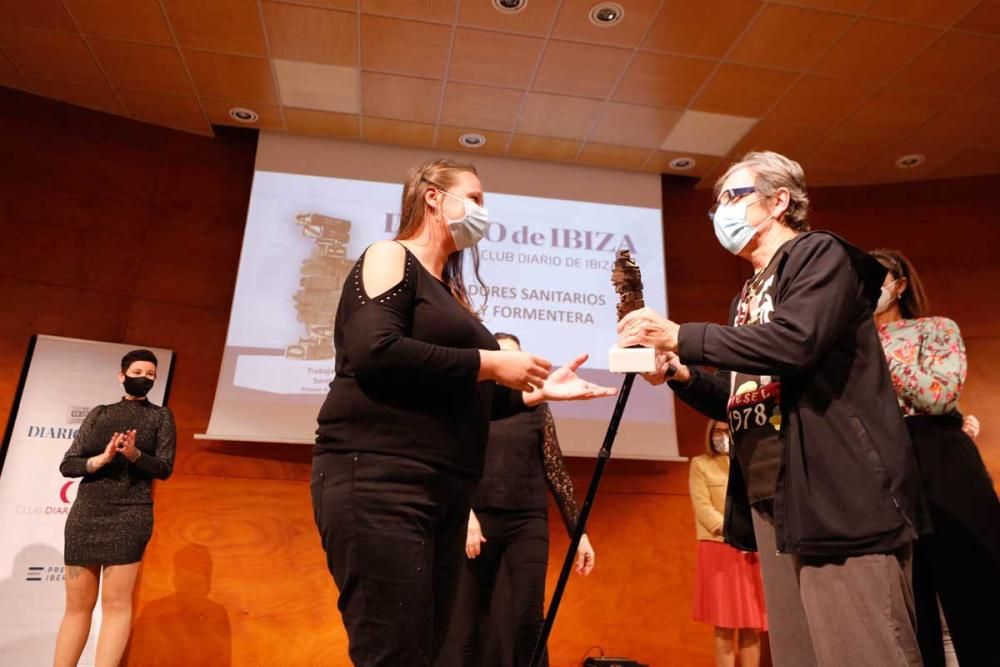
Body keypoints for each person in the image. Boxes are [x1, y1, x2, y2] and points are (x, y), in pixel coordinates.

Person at [620, 150, 928, 666]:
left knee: (861, 649)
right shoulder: (747, 294)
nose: (722, 211)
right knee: (799, 654)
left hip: (836, 488)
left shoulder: (820, 255)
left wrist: (681, 335)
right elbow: (740, 396)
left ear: (779, 200)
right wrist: (679, 371)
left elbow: (796, 342)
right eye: (717, 202)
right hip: (775, 495)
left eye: (733, 196)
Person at [311, 159, 615, 667]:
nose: (482, 211)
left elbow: (455, 391)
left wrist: (535, 393)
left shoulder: (447, 289)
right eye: (474, 198)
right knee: (394, 654)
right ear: (433, 196)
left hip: (442, 491)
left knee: (428, 652)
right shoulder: (390, 255)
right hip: (382, 480)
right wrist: (490, 363)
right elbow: (374, 350)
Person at [872, 249, 1000, 667]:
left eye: (875, 278)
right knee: (911, 597)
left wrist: (879, 351)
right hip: (880, 462)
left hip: (938, 450)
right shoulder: (845, 345)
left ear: (899, 286)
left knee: (974, 582)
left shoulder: (935, 328)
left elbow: (939, 395)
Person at [440, 332, 595, 667]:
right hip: (480, 521)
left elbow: (556, 470)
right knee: (469, 623)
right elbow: (452, 464)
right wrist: (466, 515)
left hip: (527, 520)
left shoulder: (537, 408)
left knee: (529, 621)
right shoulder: (472, 407)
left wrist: (579, 533)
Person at [54, 349, 176, 667]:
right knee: (77, 605)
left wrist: (135, 455)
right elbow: (68, 464)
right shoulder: (100, 413)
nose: (144, 379)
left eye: (151, 375)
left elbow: (164, 468)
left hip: (130, 513)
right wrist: (102, 459)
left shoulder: (161, 417)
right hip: (87, 512)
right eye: (138, 372)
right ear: (122, 375)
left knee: (116, 605)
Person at [689, 420, 766, 667]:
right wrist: (733, 530)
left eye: (726, 431)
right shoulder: (701, 464)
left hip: (748, 550)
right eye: (717, 431)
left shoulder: (747, 464)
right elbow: (703, 507)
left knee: (750, 624)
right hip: (718, 549)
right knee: (723, 626)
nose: (722, 436)